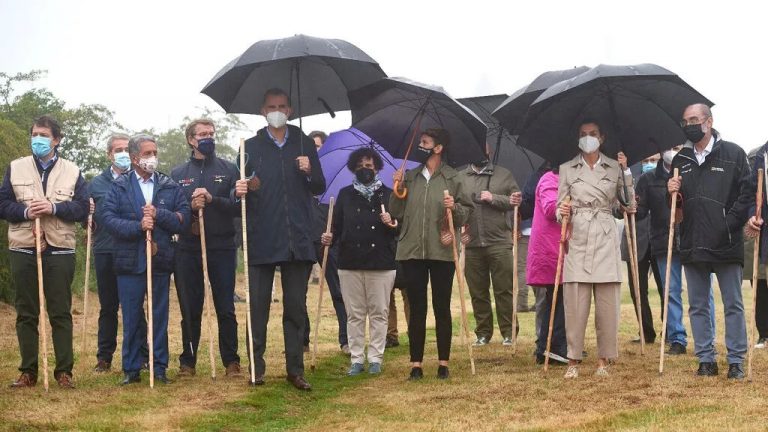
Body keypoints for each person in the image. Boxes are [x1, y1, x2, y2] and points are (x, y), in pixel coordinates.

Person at [234, 88, 325, 391]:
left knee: (295, 308)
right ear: (263, 111)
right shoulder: (249, 146)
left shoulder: (304, 143)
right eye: (271, 106)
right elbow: (240, 190)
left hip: (297, 238)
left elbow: (319, 186)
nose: (277, 110)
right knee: (257, 307)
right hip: (262, 236)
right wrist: (246, 187)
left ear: (290, 110)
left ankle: (295, 369)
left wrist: (309, 169)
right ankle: (256, 368)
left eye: (282, 106)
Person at [0, 115, 89, 389]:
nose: (37, 139)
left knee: (60, 311)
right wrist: (26, 211)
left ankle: (64, 372)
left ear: (57, 139)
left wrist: (54, 208)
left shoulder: (72, 171)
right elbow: (3, 205)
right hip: (23, 246)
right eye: (34, 134)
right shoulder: (15, 168)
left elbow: (83, 208)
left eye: (44, 135)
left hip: (60, 248)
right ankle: (28, 371)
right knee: (27, 311)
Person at [670, 103, 751, 379]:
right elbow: (676, 210)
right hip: (693, 241)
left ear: (709, 121)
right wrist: (672, 194)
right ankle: (706, 359)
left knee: (733, 303)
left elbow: (747, 194)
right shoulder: (680, 160)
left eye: (694, 119)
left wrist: (727, 224)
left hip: (726, 242)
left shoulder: (734, 154)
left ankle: (736, 360)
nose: (690, 124)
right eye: (685, 121)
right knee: (698, 304)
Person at [102, 133, 190, 385]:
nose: (152, 158)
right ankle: (131, 368)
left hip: (160, 260)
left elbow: (183, 218)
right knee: (130, 316)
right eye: (147, 153)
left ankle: (159, 367)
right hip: (129, 262)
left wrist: (159, 214)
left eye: (155, 153)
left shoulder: (169, 185)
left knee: (159, 315)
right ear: (134, 158)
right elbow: (108, 219)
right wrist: (138, 225)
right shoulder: (119, 187)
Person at [390, 128, 472, 380]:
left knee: (441, 306)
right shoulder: (411, 176)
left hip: (442, 250)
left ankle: (443, 363)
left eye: (424, 143)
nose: (420, 146)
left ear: (438, 148)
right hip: (412, 250)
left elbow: (466, 213)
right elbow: (396, 212)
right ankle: (416, 364)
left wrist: (455, 207)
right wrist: (397, 186)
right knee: (417, 307)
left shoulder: (453, 178)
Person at [558, 119, 634, 378]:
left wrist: (626, 173)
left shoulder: (615, 167)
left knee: (606, 300)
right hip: (578, 234)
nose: (587, 138)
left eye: (592, 134)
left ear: (602, 138)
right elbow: (559, 206)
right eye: (583, 134)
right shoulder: (567, 168)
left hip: (604, 233)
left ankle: (604, 359)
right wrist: (562, 211)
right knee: (575, 301)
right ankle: (573, 359)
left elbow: (627, 205)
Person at [171, 119, 241, 377]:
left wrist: (213, 200)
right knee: (190, 306)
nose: (208, 137)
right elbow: (172, 210)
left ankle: (231, 361)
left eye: (211, 133)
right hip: (188, 248)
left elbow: (238, 207)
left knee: (225, 305)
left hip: (222, 245)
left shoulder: (229, 169)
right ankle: (188, 361)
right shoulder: (178, 173)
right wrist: (190, 208)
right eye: (202, 134)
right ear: (191, 139)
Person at [320, 148, 398, 375]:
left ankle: (375, 358)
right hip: (350, 262)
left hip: (381, 263)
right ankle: (356, 358)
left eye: (370, 166)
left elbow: (401, 228)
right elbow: (335, 228)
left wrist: (391, 223)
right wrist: (328, 237)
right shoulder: (344, 195)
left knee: (378, 312)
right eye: (362, 165)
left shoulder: (389, 194)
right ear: (354, 167)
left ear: (377, 168)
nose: (366, 169)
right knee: (354, 314)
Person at [89, 133, 149, 372]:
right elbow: (89, 220)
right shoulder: (96, 184)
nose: (123, 153)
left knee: (134, 305)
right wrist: (88, 215)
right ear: (109, 154)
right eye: (118, 149)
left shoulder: (140, 180)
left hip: (133, 250)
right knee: (108, 306)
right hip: (105, 250)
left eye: (126, 149)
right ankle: (104, 357)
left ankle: (142, 355)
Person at [456, 154, 521, 346]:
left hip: (499, 241)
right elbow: (456, 207)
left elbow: (515, 201)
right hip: (471, 243)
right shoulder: (459, 178)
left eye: (482, 148)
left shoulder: (504, 174)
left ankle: (509, 332)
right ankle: (483, 333)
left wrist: (494, 198)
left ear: (488, 151)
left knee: (504, 290)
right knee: (478, 292)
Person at [635, 146, 693, 355]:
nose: (672, 151)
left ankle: (706, 337)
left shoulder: (691, 171)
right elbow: (640, 212)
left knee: (699, 294)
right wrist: (632, 205)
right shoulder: (648, 179)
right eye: (668, 147)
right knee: (671, 292)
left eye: (677, 147)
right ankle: (676, 338)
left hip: (692, 239)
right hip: (663, 241)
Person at [622, 154, 664, 346]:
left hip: (659, 240)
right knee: (637, 290)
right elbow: (618, 206)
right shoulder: (627, 177)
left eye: (653, 160)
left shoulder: (664, 176)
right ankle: (646, 332)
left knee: (666, 288)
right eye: (646, 160)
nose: (650, 164)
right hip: (635, 240)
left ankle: (670, 331)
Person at [528, 165, 567, 365]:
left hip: (559, 247)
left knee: (558, 299)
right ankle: (551, 347)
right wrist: (565, 206)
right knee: (558, 299)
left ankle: (549, 346)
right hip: (551, 248)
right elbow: (551, 208)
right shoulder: (549, 179)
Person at [745, 143, 768, 349]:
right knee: (759, 287)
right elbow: (750, 197)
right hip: (760, 239)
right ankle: (764, 333)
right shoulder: (758, 156)